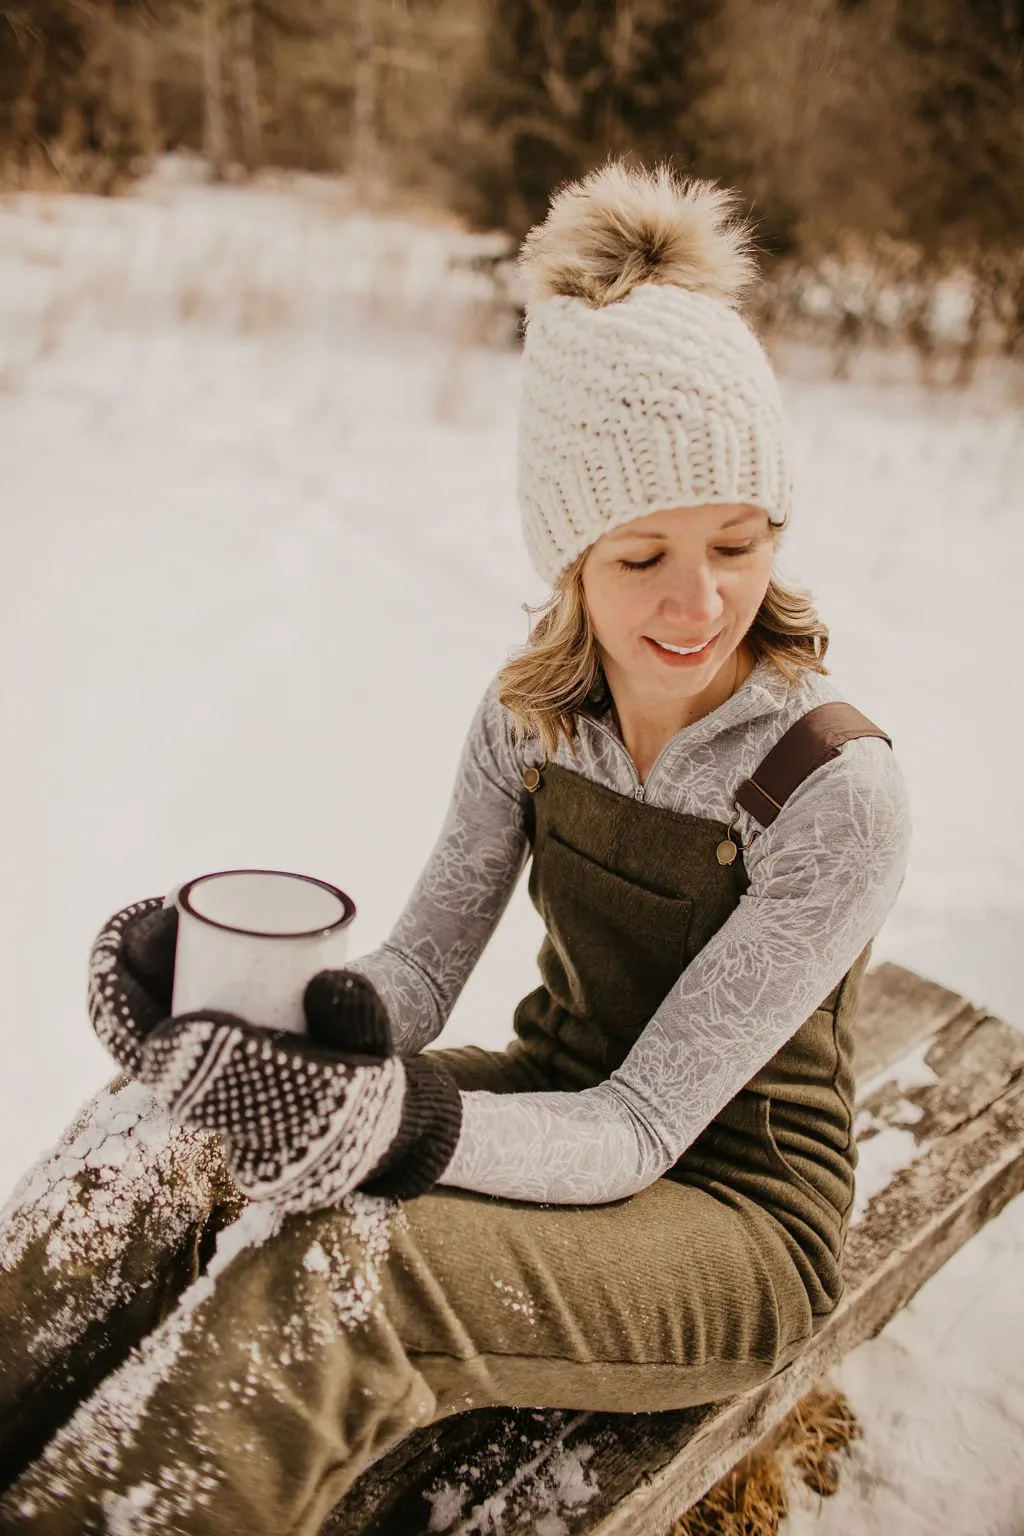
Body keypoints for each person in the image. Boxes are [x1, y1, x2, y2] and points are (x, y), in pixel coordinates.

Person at [0, 160, 912, 1535]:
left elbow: (642, 1127)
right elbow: (413, 983)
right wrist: (221, 1008)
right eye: (639, 556)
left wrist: (389, 1124)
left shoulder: (836, 790)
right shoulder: (531, 719)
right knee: (156, 1143)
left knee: (348, 1272)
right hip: (553, 1099)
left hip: (728, 1214)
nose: (698, 599)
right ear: (568, 561)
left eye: (737, 542)